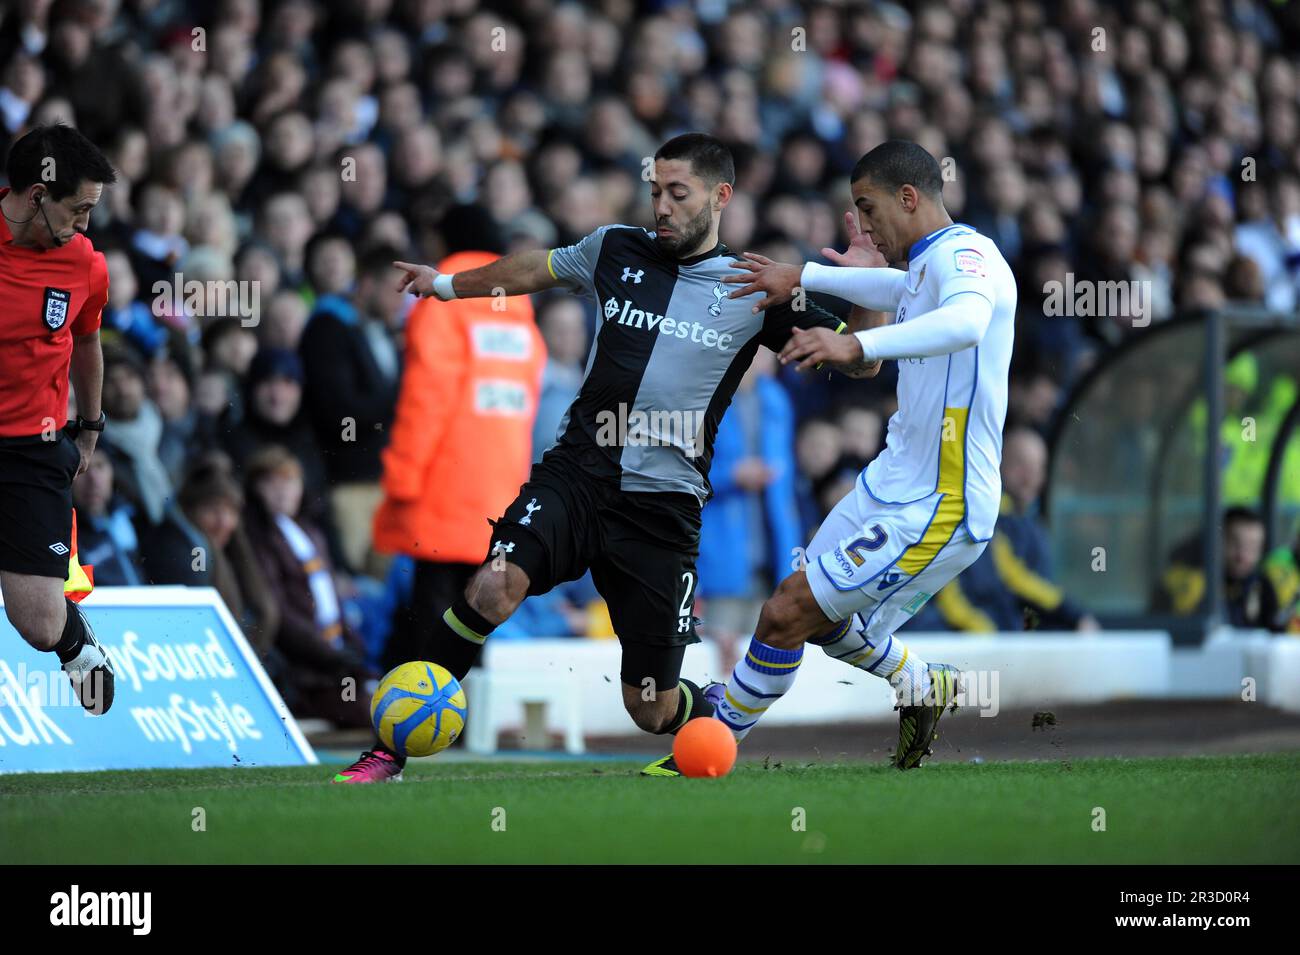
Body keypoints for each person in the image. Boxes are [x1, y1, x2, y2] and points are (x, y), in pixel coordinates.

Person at [334, 133, 875, 783]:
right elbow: (535, 269)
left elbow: (864, 357)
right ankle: (390, 749)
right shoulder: (615, 247)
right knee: (494, 582)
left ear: (720, 197)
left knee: (649, 705)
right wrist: (447, 284)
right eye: (656, 192)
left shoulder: (755, 286)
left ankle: (702, 716)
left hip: (663, 506)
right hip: (580, 473)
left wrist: (863, 281)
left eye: (679, 194)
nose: (663, 207)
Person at [701, 140, 1017, 769]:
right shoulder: (927, 267)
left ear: (910, 197)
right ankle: (922, 682)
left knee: (787, 611)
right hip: (890, 482)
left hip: (942, 500)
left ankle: (711, 740)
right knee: (808, 615)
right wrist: (805, 276)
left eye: (868, 207)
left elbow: (966, 325)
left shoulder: (969, 256)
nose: (864, 222)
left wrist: (850, 343)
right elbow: (896, 290)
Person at [368, 249, 545, 681]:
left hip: (443, 491)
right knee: (476, 614)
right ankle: (462, 714)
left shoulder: (444, 310)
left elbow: (425, 404)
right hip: (500, 494)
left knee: (429, 611)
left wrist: (401, 481)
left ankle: (415, 713)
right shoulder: (522, 321)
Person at [0, 122, 116, 715]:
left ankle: (74, 639)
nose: (85, 225)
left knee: (39, 626)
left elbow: (89, 342)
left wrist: (91, 426)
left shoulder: (84, 265)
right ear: (38, 195)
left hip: (33, 451)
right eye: (79, 210)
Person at [930, 426, 1100, 632]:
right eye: (1021, 464)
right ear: (998, 464)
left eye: (1039, 467)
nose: (1031, 476)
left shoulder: (1029, 522)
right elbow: (1016, 579)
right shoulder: (982, 517)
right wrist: (1073, 614)